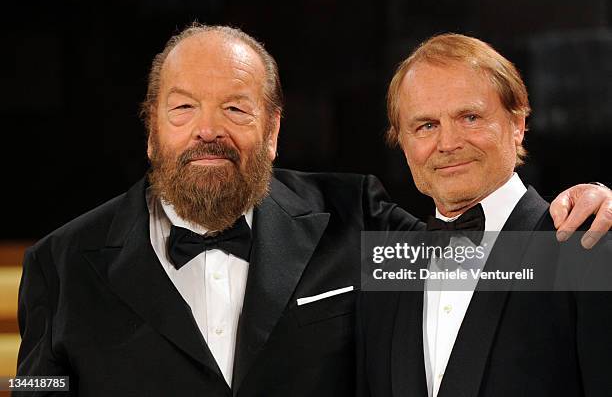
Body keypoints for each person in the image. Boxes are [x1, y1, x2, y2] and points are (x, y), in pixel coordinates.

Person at [16, 25, 611, 397]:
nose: (208, 130)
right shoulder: (60, 262)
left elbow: (482, 245)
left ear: (273, 130)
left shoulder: (355, 217)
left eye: (237, 110)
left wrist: (598, 204)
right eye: (183, 108)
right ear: (151, 130)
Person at [357, 33, 612, 397]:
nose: (448, 143)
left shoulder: (588, 248)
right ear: (402, 142)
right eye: (426, 125)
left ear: (518, 124)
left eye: (470, 117)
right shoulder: (387, 269)